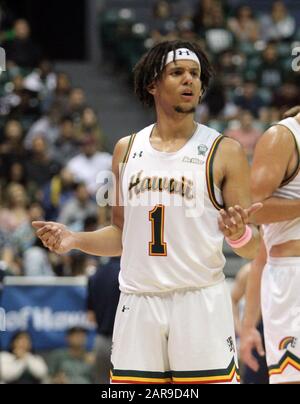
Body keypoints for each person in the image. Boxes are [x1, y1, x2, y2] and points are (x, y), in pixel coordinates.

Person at [33, 40, 261, 384]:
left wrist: (238, 233)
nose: (189, 80)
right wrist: (74, 239)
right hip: (138, 301)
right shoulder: (126, 149)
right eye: (178, 73)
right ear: (153, 83)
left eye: (195, 74)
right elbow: (121, 235)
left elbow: (253, 248)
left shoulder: (225, 150)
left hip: (199, 300)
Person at [240, 107, 300, 384]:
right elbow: (250, 209)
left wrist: (250, 324)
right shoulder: (284, 137)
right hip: (293, 278)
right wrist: (249, 325)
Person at [231, 263, 268, 384]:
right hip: (256, 330)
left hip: (283, 331)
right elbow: (232, 299)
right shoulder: (248, 271)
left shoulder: (291, 266)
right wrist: (241, 331)